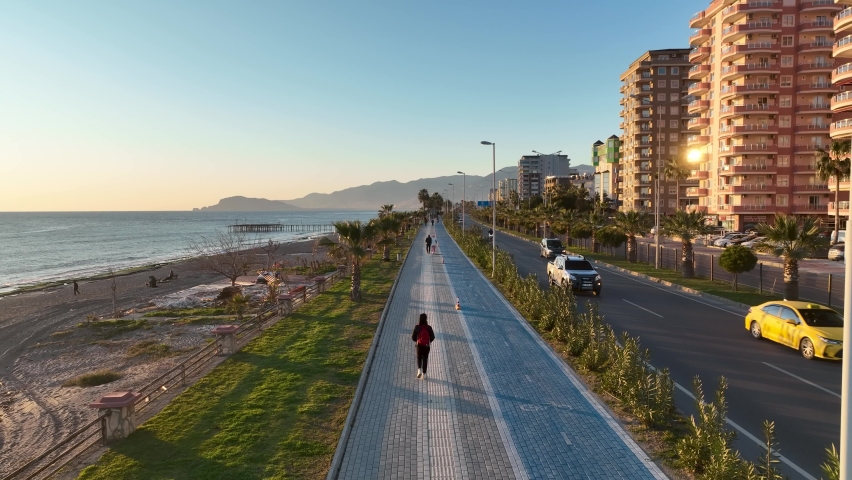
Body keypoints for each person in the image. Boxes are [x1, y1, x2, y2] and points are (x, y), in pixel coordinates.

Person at [411, 313, 435, 379]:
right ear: (426, 319)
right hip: (426, 346)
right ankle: (424, 374)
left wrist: (417, 340)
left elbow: (413, 338)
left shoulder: (417, 327)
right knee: (425, 359)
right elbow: (433, 337)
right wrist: (428, 341)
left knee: (419, 357)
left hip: (419, 346)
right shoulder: (429, 328)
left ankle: (419, 370)